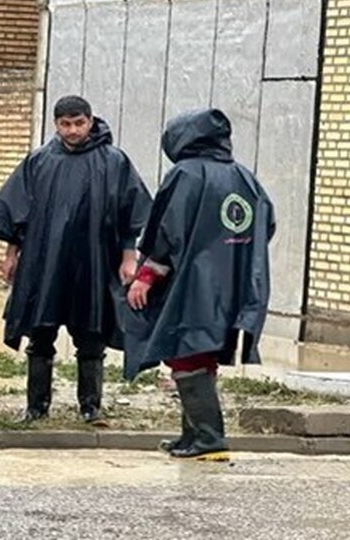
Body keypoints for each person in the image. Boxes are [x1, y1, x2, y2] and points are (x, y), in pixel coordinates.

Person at [0, 95, 151, 423]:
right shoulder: (40, 160)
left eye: (79, 123)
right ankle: (36, 408)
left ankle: (91, 407)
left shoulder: (113, 162)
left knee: (91, 334)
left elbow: (132, 211)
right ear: (56, 124)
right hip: (45, 263)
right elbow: (17, 211)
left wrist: (129, 256)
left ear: (90, 121)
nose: (73, 130)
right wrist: (11, 254)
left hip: (94, 261)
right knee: (40, 334)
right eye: (65, 124)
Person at [125, 108, 275, 461]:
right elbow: (266, 225)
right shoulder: (245, 177)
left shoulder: (185, 174)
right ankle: (191, 436)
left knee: (186, 349)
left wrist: (145, 276)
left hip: (193, 282)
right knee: (202, 352)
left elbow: (168, 231)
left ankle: (209, 438)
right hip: (233, 282)